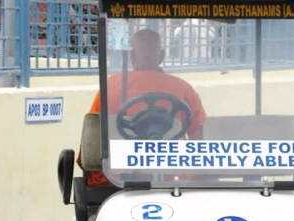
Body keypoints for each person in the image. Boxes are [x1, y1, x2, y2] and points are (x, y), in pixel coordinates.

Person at [80, 28, 207, 187]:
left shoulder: (110, 87)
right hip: (171, 182)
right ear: (161, 56)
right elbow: (200, 144)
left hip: (117, 181)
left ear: (132, 56)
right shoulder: (184, 89)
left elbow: (93, 139)